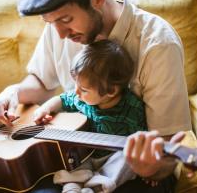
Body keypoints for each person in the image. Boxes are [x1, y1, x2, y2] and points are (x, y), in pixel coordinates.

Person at [0, 0, 192, 192]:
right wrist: (12, 92)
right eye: (50, 23)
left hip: (131, 172)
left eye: (65, 19)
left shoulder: (159, 45)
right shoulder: (61, 27)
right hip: (77, 158)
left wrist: (151, 168)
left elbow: (165, 151)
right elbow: (42, 82)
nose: (60, 34)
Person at [33, 39, 146, 193]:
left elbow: (142, 141)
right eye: (75, 85)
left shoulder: (132, 108)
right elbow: (61, 99)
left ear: (111, 91)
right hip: (84, 156)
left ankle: (98, 185)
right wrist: (44, 109)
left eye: (84, 89)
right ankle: (72, 187)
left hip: (112, 160)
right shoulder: (79, 99)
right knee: (70, 155)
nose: (76, 92)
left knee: (128, 158)